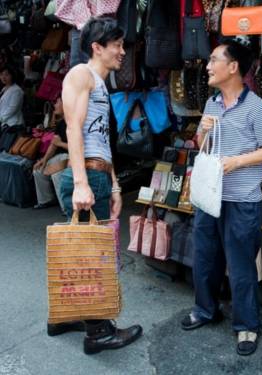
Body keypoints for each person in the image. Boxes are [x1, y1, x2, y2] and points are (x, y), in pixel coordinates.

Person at [181, 40, 262, 356]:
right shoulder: (211, 104)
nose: (208, 66)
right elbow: (202, 145)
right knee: (205, 258)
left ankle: (247, 326)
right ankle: (205, 309)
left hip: (242, 200)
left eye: (213, 60)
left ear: (233, 67)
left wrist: (237, 161)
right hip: (209, 196)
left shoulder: (258, 108)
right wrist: (203, 132)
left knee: (240, 266)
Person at [53, 17, 142, 354]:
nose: (122, 51)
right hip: (86, 176)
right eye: (116, 45)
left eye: (122, 44)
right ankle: (98, 332)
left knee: (78, 253)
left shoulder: (103, 84)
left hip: (97, 174)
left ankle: (64, 316)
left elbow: (101, 140)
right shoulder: (80, 74)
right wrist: (80, 183)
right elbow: (74, 130)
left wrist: (116, 184)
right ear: (96, 47)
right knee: (94, 256)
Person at [33, 97, 69, 212]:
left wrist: (61, 144)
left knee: (56, 174)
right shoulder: (61, 123)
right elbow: (53, 144)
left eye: (58, 102)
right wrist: (44, 160)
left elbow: (79, 148)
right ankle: (46, 200)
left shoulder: (74, 121)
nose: (55, 105)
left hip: (72, 157)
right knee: (38, 170)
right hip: (60, 156)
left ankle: (67, 208)